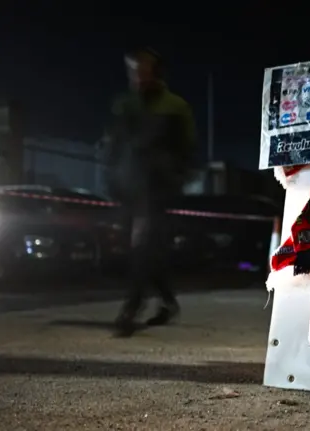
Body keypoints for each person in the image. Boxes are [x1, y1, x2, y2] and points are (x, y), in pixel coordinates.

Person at [104, 47, 196, 337]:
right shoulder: (124, 105)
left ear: (157, 74)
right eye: (132, 72)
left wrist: (176, 178)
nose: (137, 78)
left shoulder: (175, 107)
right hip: (130, 187)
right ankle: (168, 302)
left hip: (159, 188)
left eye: (142, 72)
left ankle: (131, 308)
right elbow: (112, 146)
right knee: (147, 250)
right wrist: (112, 179)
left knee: (142, 244)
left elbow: (189, 149)